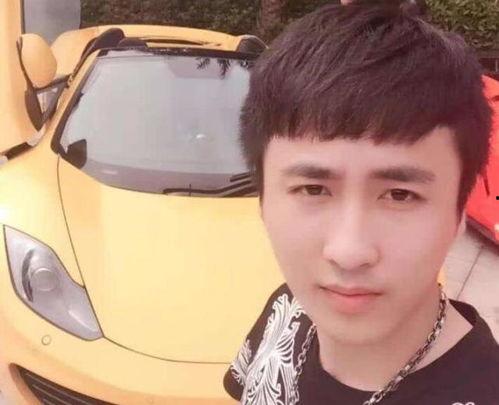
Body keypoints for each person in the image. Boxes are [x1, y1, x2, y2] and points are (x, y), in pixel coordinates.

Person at [223, 0, 499, 404]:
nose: (349, 253)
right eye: (313, 189)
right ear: (263, 201)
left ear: (459, 214)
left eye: (400, 194)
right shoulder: (287, 309)